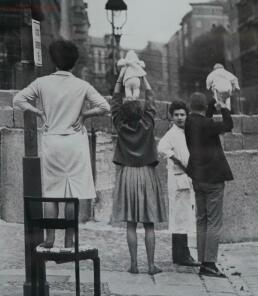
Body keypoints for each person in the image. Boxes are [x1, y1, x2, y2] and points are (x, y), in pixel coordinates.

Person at [13, 39, 110, 248]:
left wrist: (39, 113)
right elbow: (104, 106)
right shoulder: (82, 85)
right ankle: (69, 238)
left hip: (52, 141)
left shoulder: (42, 83)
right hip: (75, 142)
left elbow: (18, 100)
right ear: (74, 63)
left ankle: (49, 238)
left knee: (52, 191)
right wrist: (84, 115)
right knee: (71, 194)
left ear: (53, 61)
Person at [111, 73, 167, 275]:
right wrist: (144, 80)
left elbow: (115, 105)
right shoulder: (148, 124)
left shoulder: (120, 125)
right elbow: (151, 104)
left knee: (131, 224)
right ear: (142, 112)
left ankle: (134, 265)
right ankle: (151, 265)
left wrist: (120, 79)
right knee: (149, 224)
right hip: (146, 173)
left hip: (127, 174)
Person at [185, 92, 233, 278]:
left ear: (190, 107)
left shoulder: (189, 122)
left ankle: (202, 260)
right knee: (214, 222)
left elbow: (205, 119)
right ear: (204, 108)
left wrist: (212, 103)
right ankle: (210, 264)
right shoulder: (208, 125)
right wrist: (225, 107)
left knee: (201, 220)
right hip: (213, 178)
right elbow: (228, 125)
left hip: (197, 177)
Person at [158, 101, 199, 266]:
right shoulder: (172, 133)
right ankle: (182, 255)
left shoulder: (187, 131)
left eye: (182, 114)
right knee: (180, 216)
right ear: (171, 116)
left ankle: (180, 254)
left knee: (184, 216)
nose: (180, 118)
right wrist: (175, 158)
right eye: (176, 115)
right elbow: (161, 148)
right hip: (178, 177)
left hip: (187, 177)